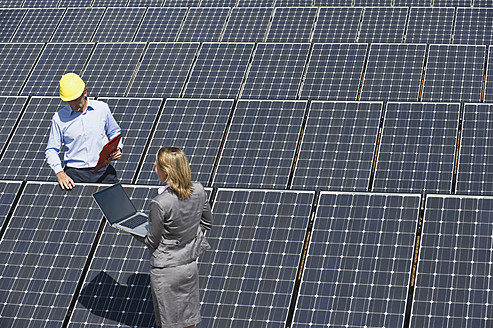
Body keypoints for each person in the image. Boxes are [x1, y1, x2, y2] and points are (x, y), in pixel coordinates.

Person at [135, 147, 212, 328]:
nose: (154, 168)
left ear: (167, 170)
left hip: (166, 271)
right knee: (189, 321)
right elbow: (207, 224)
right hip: (189, 267)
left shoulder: (160, 202)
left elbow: (152, 241)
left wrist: (129, 228)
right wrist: (186, 235)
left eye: (157, 165)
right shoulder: (199, 190)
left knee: (168, 324)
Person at [45, 72, 122, 190]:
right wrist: (59, 172)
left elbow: (115, 132)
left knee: (116, 206)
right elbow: (51, 150)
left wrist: (118, 147)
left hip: (103, 171)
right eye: (69, 101)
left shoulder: (101, 108)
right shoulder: (59, 118)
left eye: (76, 99)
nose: (73, 104)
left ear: (85, 92)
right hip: (75, 175)